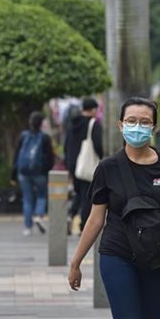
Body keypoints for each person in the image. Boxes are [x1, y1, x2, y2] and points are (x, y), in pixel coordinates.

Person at [68, 97, 160, 319]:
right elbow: (95, 219)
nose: (137, 127)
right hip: (117, 255)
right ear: (120, 125)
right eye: (131, 121)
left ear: (154, 128)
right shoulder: (107, 167)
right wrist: (75, 263)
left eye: (144, 122)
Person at [11, 111, 55, 236]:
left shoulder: (23, 136)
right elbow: (50, 157)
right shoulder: (45, 137)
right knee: (41, 196)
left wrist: (13, 173)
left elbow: (16, 155)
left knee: (27, 199)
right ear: (41, 123)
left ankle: (28, 227)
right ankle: (39, 216)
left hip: (24, 172)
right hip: (39, 173)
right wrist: (46, 170)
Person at [64, 97, 103, 233]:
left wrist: (69, 164)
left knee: (79, 193)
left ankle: (70, 214)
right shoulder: (93, 124)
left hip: (74, 165)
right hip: (87, 165)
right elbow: (98, 145)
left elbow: (66, 145)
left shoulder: (72, 124)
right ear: (92, 110)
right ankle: (83, 226)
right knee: (88, 197)